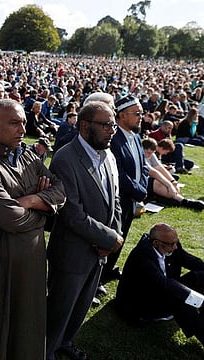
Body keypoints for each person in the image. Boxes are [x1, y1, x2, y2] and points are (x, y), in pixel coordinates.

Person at [0, 99, 66, 360]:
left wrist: (30, 200)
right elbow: (9, 218)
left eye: (24, 123)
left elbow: (61, 189)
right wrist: (44, 208)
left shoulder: (28, 154)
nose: (22, 129)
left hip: (32, 258)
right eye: (15, 123)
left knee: (27, 323)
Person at [46, 101, 123, 360]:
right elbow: (72, 215)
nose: (112, 130)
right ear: (84, 126)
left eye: (113, 124)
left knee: (79, 308)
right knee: (59, 312)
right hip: (72, 254)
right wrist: (110, 238)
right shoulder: (65, 158)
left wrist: (114, 236)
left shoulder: (109, 155)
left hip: (98, 254)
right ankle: (47, 351)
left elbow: (116, 202)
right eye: (106, 125)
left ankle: (65, 343)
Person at [116, 223, 204, 345]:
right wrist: (198, 300)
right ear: (156, 243)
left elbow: (189, 259)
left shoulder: (171, 246)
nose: (175, 247)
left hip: (162, 289)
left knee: (200, 276)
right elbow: (163, 284)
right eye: (172, 244)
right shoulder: (142, 256)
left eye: (176, 242)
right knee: (181, 299)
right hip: (141, 304)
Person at [103, 95, 149, 282]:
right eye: (137, 113)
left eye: (141, 113)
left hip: (132, 199)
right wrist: (138, 191)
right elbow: (118, 174)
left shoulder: (136, 136)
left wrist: (142, 188)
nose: (141, 116)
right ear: (121, 115)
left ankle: (108, 270)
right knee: (110, 238)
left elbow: (144, 166)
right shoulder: (114, 139)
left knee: (122, 236)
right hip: (118, 199)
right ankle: (97, 279)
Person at [142, 138, 204, 210]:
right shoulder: (140, 154)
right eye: (148, 153)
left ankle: (172, 198)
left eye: (151, 153)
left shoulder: (151, 154)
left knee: (170, 182)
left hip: (150, 177)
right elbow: (153, 172)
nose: (149, 155)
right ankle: (184, 201)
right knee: (159, 183)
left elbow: (159, 167)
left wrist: (172, 181)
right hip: (143, 180)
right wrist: (169, 185)